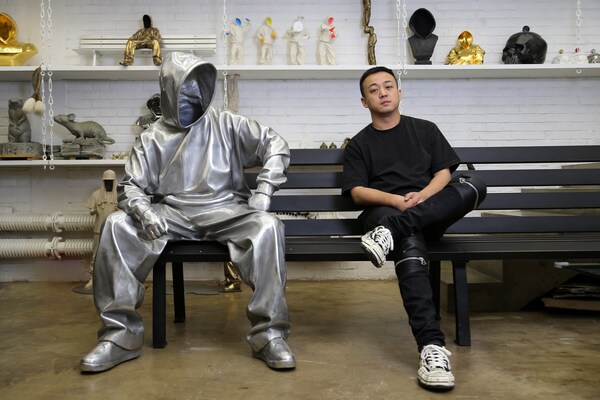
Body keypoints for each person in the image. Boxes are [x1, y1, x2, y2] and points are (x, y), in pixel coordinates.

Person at [80, 52, 295, 373]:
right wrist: (143, 212)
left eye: (198, 88)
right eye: (183, 90)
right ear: (168, 92)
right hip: (171, 214)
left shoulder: (227, 123)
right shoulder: (152, 137)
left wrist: (264, 191)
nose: (191, 96)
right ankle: (119, 335)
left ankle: (270, 334)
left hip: (225, 210)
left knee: (267, 226)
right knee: (116, 224)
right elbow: (130, 187)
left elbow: (275, 145)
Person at [342, 66, 486, 391]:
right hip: (382, 214)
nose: (383, 93)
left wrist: (421, 197)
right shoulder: (359, 144)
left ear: (400, 92)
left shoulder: (425, 130)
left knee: (474, 183)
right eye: (374, 89)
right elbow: (358, 192)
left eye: (388, 86)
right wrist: (396, 201)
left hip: (422, 212)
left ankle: (394, 232)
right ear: (364, 101)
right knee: (409, 240)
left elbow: (444, 173)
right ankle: (431, 347)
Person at [82, 169, 119, 292]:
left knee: (114, 254)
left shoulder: (119, 195)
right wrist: (95, 210)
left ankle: (113, 279)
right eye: (106, 181)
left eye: (110, 181)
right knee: (96, 254)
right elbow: (91, 211)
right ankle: (93, 278)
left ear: (114, 182)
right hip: (99, 229)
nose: (108, 184)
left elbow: (125, 212)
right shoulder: (96, 194)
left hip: (113, 230)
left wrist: (119, 209)